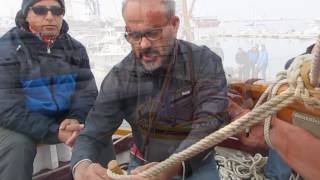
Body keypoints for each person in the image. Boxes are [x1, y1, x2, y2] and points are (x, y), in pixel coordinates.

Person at [71, 0, 229, 180]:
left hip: (196, 163)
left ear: (174, 24)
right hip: (142, 165)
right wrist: (81, 165)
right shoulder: (119, 77)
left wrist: (174, 165)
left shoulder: (204, 61)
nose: (144, 44)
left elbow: (210, 120)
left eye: (153, 33)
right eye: (134, 35)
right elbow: (93, 131)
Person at [0, 0, 98, 180]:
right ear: (26, 14)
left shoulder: (75, 49)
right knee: (17, 145)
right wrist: (54, 131)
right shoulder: (6, 49)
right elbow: (7, 110)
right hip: (21, 123)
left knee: (97, 132)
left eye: (57, 10)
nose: (50, 16)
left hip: (63, 120)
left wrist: (75, 117)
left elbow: (88, 93)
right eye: (40, 10)